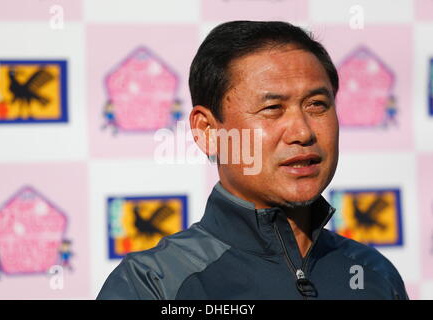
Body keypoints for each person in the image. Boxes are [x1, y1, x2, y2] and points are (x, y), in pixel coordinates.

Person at [97, 21, 408, 300]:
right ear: (207, 131)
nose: (302, 131)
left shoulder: (376, 275)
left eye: (316, 104)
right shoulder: (152, 285)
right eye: (273, 108)